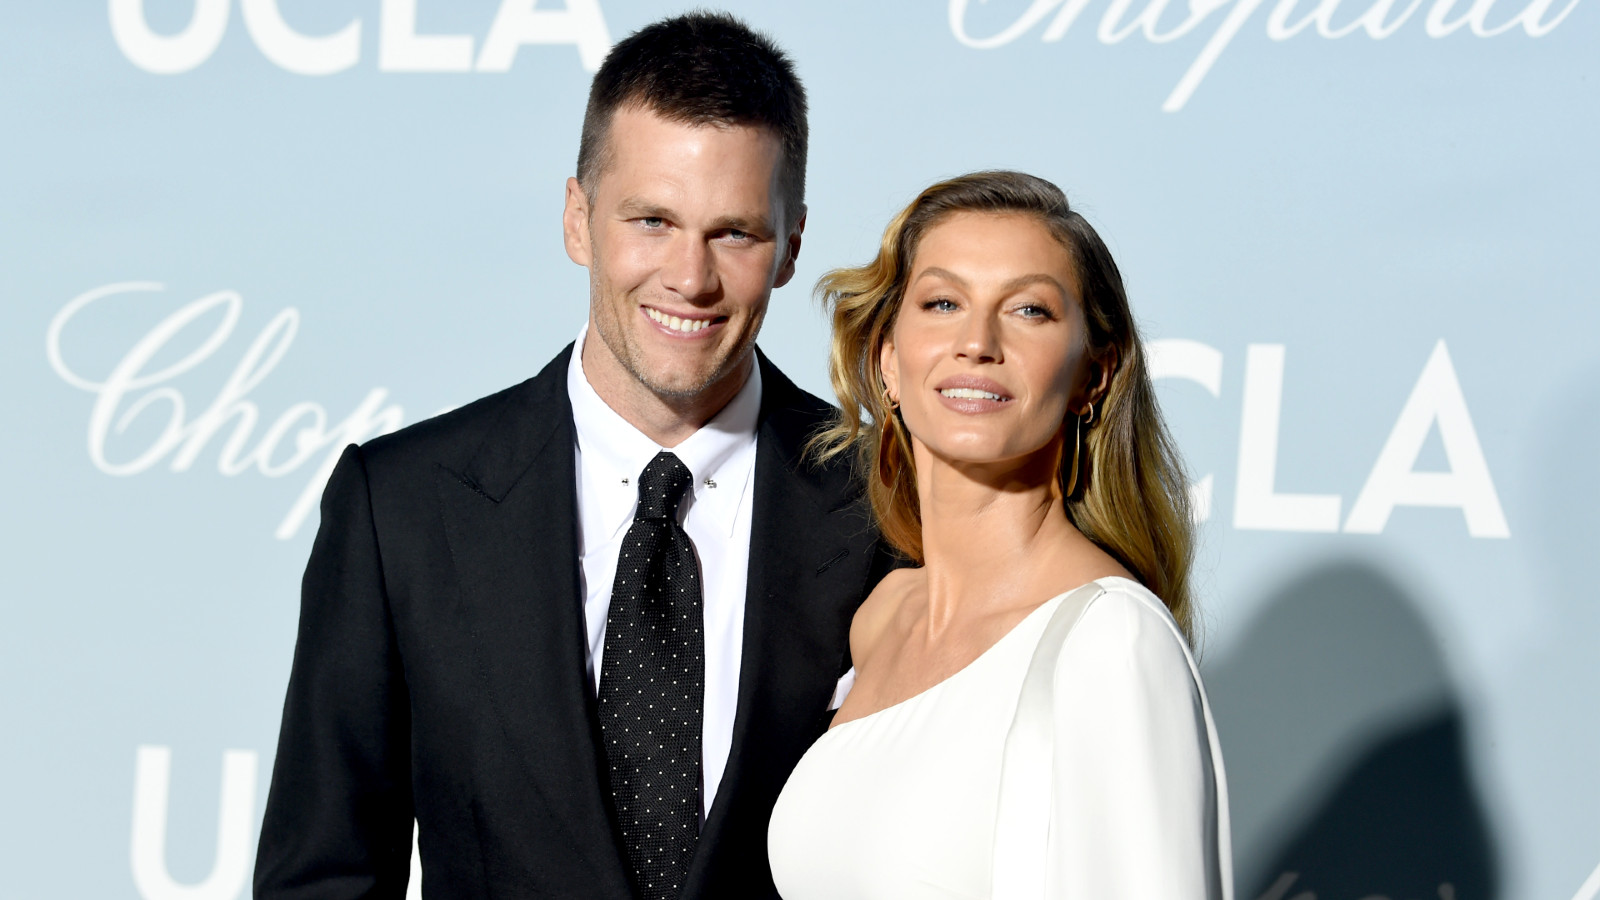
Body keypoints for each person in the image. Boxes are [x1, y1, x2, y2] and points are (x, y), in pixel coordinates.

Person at [254, 13, 889, 900]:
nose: (690, 277)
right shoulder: (400, 507)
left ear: (791, 247)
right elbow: (321, 878)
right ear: (578, 220)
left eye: (735, 233)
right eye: (652, 220)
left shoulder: (889, 507)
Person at [767, 171, 1233, 898]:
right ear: (889, 358)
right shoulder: (883, 617)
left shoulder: (1111, 642)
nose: (976, 342)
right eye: (943, 302)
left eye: (1029, 311)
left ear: (1094, 375)